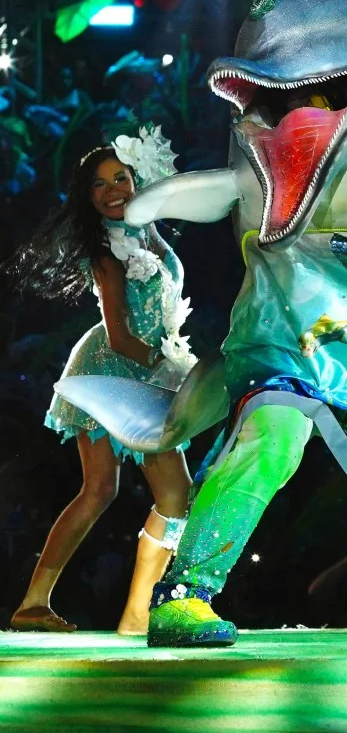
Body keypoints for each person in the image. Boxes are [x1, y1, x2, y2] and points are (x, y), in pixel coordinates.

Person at [6, 139, 196, 635]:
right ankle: (37, 603)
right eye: (99, 184)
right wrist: (174, 370)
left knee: (171, 496)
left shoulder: (150, 232)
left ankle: (134, 615)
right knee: (103, 490)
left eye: (120, 179)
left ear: (137, 181)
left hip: (147, 369)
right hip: (111, 372)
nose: (112, 190)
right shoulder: (106, 253)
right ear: (88, 197)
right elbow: (118, 337)